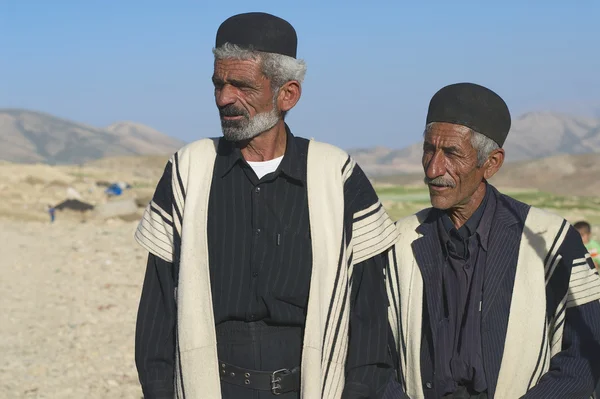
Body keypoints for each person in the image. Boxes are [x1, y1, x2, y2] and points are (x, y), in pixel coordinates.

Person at [134, 12, 397, 399]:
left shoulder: (335, 175)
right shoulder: (188, 171)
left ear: (287, 94)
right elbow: (156, 313)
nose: (224, 98)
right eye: (218, 84)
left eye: (240, 85)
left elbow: (371, 316)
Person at [382, 83, 600, 398]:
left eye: (452, 154)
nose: (433, 168)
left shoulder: (550, 241)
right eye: (429, 149)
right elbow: (370, 355)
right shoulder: (395, 243)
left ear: (492, 163)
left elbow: (585, 354)